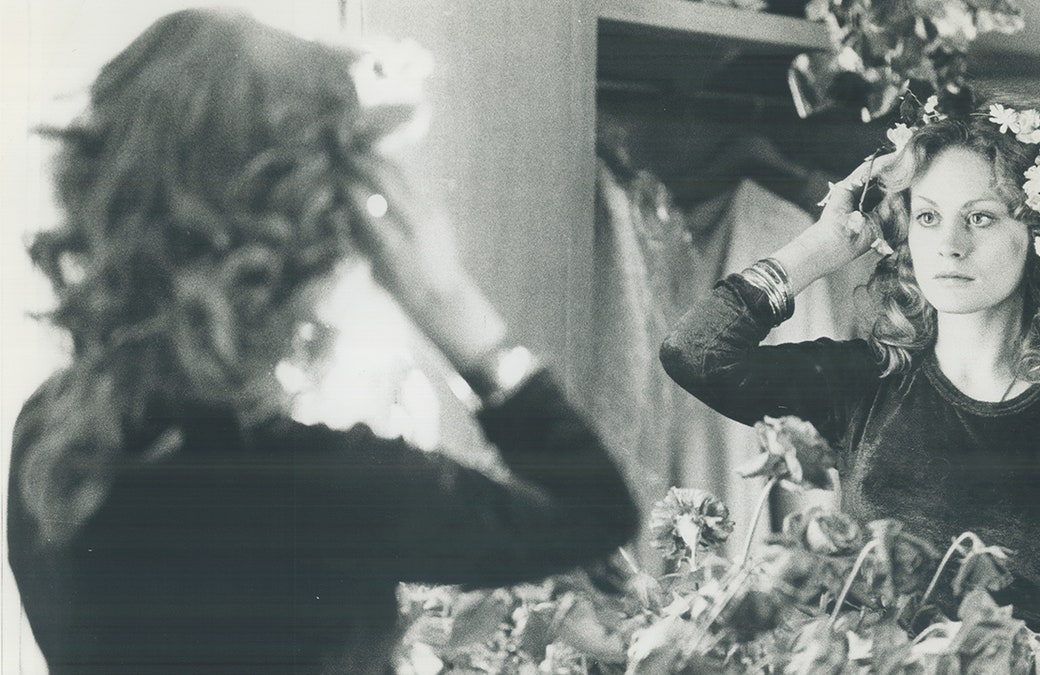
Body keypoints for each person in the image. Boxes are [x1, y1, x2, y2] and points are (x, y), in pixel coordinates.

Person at [7, 9, 638, 674]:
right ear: (306, 245)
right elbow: (594, 510)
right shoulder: (326, 485)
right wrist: (446, 303)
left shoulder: (52, 438)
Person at [660, 93, 1040, 672]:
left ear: (1037, 233)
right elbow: (695, 353)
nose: (950, 244)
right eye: (928, 216)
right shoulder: (868, 380)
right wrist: (821, 247)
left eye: (979, 216)